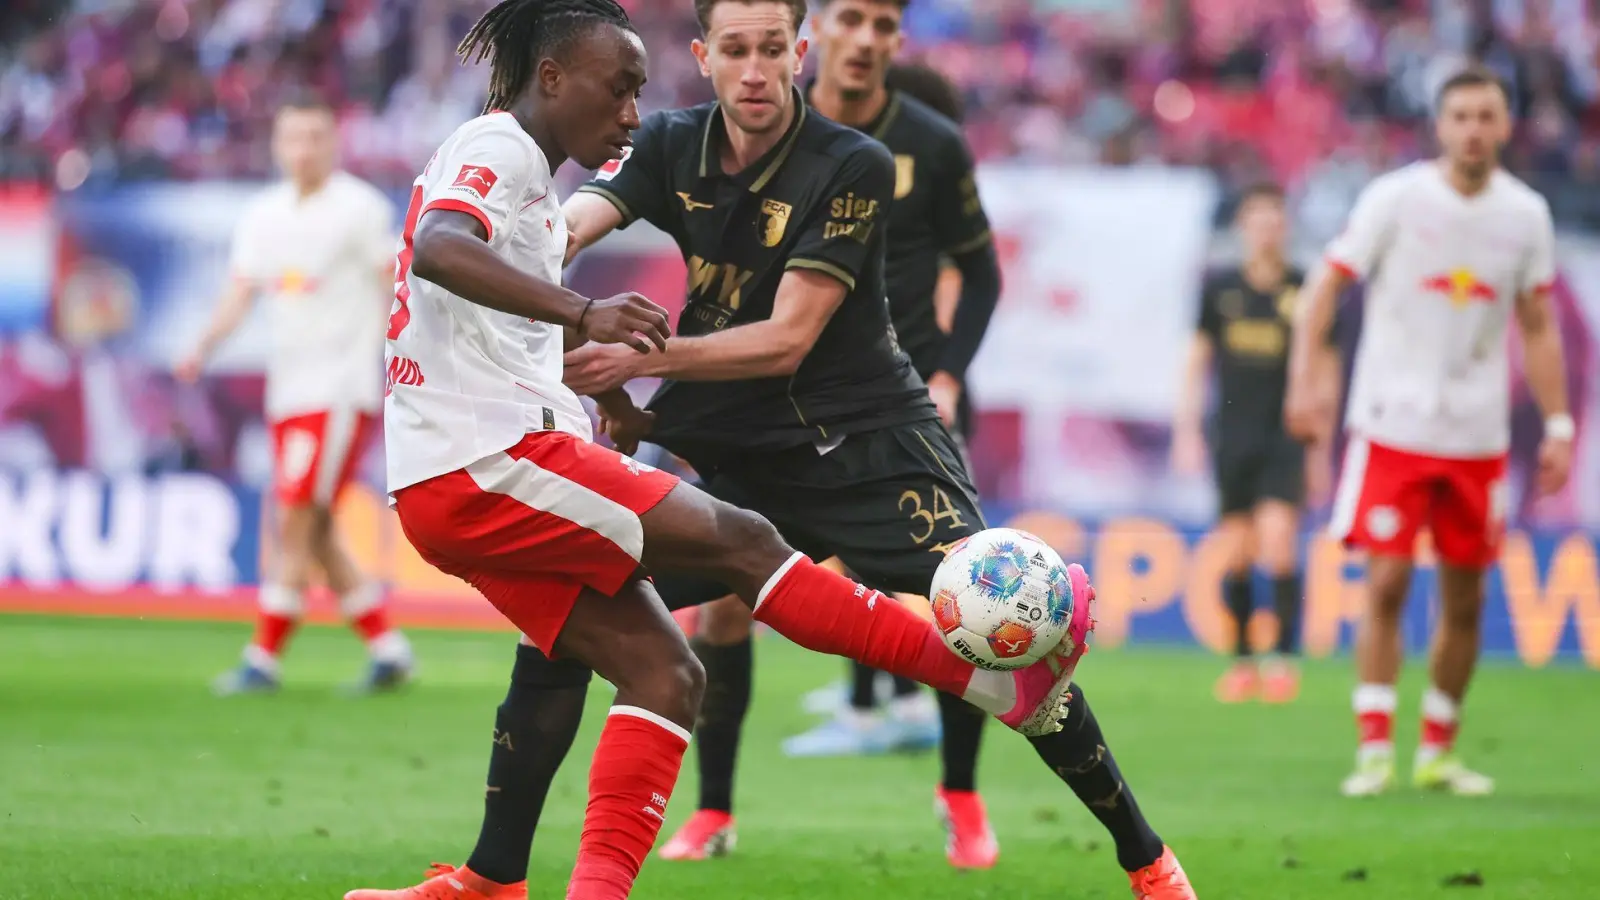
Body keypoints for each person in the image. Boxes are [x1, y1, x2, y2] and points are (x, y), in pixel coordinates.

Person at [349, 2, 1196, 899]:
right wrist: (579, 319)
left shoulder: (859, 161)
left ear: (800, 55)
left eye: (771, 50)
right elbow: (536, 235)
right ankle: (543, 861)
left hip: (866, 438)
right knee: (594, 626)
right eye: (735, 51)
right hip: (722, 444)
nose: (754, 70)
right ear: (706, 57)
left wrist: (614, 353)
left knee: (981, 608)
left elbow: (788, 338)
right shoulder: (635, 147)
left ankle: (1142, 854)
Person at [663, 0, 1007, 870]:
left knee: (962, 602)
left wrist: (950, 373)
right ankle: (712, 812)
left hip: (894, 411)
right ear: (820, 37)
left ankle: (961, 795)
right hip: (771, 414)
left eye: (885, 25)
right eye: (852, 18)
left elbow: (983, 271)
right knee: (724, 611)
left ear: (896, 41)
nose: (867, 40)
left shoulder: (929, 143)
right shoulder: (765, 133)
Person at [1285, 67, 1571, 798]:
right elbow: (1328, 283)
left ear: (1506, 126)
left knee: (1467, 594)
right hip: (1390, 423)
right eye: (1462, 116)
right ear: (1441, 127)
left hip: (1478, 435)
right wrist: (1306, 380)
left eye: (1487, 115)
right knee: (1385, 578)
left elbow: (1538, 326)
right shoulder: (1397, 198)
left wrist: (1561, 422)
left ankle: (1439, 749)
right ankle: (1376, 749)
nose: (1474, 128)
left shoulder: (1525, 215)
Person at [178, 97, 414, 695]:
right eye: (293, 138)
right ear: (278, 145)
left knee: (295, 515)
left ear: (333, 142)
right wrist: (203, 345)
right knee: (315, 519)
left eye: (315, 136)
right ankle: (388, 649)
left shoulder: (359, 209)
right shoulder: (264, 214)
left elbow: (396, 281)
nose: (304, 149)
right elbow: (241, 292)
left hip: (338, 390)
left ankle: (263, 656)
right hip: (287, 391)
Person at [1172, 183, 1334, 705]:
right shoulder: (1220, 288)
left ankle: (1284, 659)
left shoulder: (1305, 288)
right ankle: (1242, 658)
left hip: (1285, 434)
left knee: (1280, 541)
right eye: (1256, 219)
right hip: (1232, 434)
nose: (1266, 229)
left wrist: (1320, 444)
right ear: (1243, 226)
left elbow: (1326, 368)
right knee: (1238, 551)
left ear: (1284, 227)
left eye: (1274, 219)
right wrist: (1187, 430)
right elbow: (1196, 360)